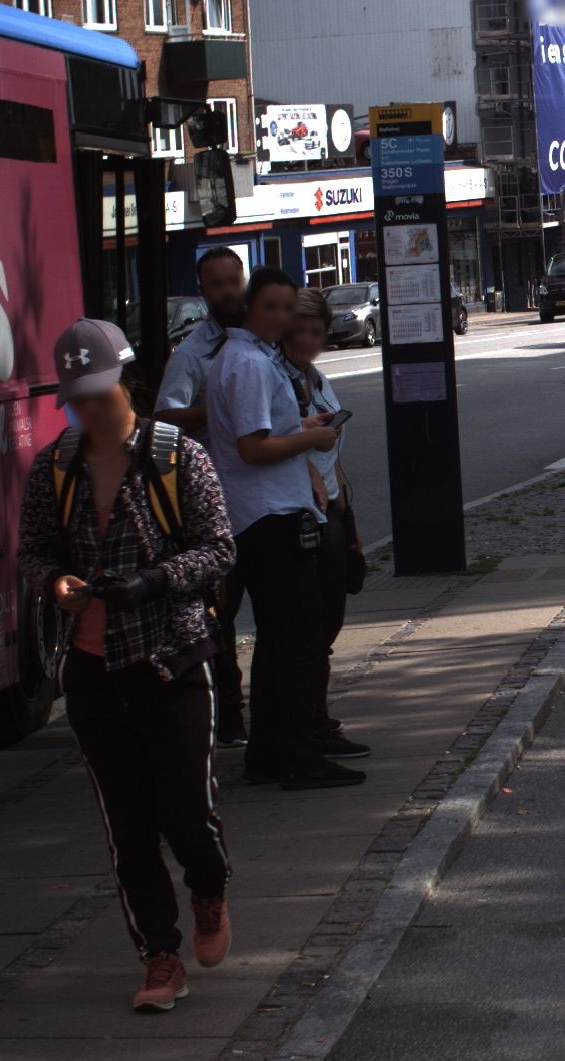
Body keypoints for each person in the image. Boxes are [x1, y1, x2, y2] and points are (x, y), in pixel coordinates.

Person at [17, 319, 236, 1013]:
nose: (89, 409)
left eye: (100, 393)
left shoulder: (176, 456)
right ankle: (160, 957)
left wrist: (154, 581)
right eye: (77, 398)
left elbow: (219, 549)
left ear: (127, 382)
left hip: (172, 662)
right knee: (128, 829)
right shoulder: (55, 468)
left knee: (187, 813)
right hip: (93, 674)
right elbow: (33, 554)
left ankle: (208, 887)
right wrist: (56, 583)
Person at [205, 268, 366, 791]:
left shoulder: (250, 357)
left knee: (279, 641)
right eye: (270, 307)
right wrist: (309, 442)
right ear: (251, 307)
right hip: (268, 514)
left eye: (285, 307)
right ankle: (298, 757)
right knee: (295, 641)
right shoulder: (250, 362)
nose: (279, 317)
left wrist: (300, 427)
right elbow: (252, 448)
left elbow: (260, 433)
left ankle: (270, 754)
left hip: (267, 510)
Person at [156, 248, 250, 747]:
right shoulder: (192, 354)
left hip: (266, 499)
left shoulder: (260, 338)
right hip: (219, 507)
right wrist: (215, 407)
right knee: (221, 618)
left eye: (234, 280)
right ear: (203, 290)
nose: (228, 291)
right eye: (217, 284)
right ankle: (229, 717)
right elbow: (164, 419)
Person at [282, 289, 367, 736]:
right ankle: (308, 724)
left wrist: (348, 519)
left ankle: (316, 717)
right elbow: (261, 442)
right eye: (300, 330)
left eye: (317, 332)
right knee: (309, 625)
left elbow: (330, 452)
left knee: (331, 617)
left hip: (330, 508)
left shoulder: (315, 379)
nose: (309, 340)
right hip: (299, 513)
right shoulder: (277, 379)